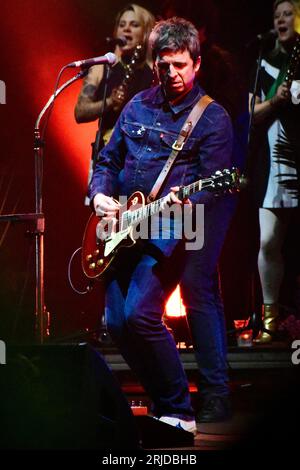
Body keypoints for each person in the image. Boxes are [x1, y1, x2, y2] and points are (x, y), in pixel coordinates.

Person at [88, 17, 235, 433]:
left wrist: (184, 198)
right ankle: (162, 404)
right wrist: (100, 193)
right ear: (154, 65)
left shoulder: (212, 118)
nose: (172, 73)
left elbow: (215, 187)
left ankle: (180, 409)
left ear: (197, 64)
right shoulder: (136, 105)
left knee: (140, 313)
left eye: (181, 65)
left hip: (175, 227)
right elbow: (108, 160)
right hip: (123, 226)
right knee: (115, 322)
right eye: (165, 65)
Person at [160, 1, 248, 422]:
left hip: (213, 189)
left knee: (197, 282)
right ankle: (175, 393)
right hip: (173, 194)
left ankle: (215, 392)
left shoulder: (221, 72)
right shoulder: (162, 74)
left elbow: (231, 136)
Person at [248, 0, 300, 344]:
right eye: (277, 15)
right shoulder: (262, 64)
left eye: (289, 13)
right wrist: (277, 100)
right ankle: (269, 316)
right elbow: (251, 114)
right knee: (268, 240)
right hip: (273, 162)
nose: (281, 20)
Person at [74, 3, 155, 194]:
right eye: (122, 24)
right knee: (106, 218)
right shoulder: (101, 67)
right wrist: (110, 102)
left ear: (145, 32)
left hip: (141, 159)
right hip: (107, 158)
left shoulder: (153, 69)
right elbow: (79, 112)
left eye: (134, 24)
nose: (126, 29)